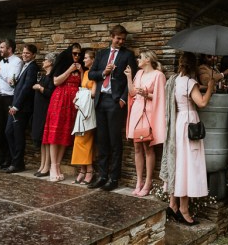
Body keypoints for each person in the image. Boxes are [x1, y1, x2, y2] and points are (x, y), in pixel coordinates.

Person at [166, 52, 214, 226]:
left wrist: (200, 86)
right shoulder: (190, 83)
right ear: (194, 66)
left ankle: (172, 204)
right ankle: (184, 209)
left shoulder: (175, 80)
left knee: (179, 163)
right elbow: (201, 103)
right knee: (188, 166)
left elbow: (187, 93)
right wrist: (210, 87)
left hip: (179, 122)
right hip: (190, 123)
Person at [88, 25, 137, 192]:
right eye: (118, 38)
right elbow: (90, 74)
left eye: (123, 39)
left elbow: (133, 76)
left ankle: (113, 178)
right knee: (101, 140)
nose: (121, 41)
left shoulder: (127, 55)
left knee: (115, 141)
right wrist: (104, 72)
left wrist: (123, 98)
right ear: (112, 37)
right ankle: (102, 176)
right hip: (101, 101)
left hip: (116, 102)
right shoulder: (101, 54)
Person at [124, 49, 166, 196]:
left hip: (149, 113)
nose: (138, 60)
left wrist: (147, 94)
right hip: (136, 112)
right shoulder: (139, 73)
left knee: (148, 148)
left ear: (148, 59)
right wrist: (129, 77)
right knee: (137, 148)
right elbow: (131, 93)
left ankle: (148, 182)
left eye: (140, 57)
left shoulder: (158, 75)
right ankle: (139, 181)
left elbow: (161, 97)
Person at [43, 43, 82, 182]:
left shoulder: (80, 66)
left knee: (65, 134)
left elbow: (82, 84)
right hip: (60, 100)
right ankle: (53, 166)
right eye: (74, 53)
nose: (77, 56)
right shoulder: (64, 64)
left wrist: (81, 71)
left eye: (79, 54)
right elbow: (56, 81)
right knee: (55, 133)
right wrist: (69, 70)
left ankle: (58, 165)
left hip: (72, 103)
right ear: (68, 54)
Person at [0, 39, 22, 169]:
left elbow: (12, 81)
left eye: (2, 47)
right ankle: (1, 158)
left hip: (9, 99)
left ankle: (10, 159)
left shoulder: (17, 62)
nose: (0, 50)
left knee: (8, 131)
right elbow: (0, 78)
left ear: (10, 49)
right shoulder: (1, 60)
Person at [4, 44, 38, 173]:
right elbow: (20, 87)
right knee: (8, 132)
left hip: (22, 108)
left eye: (27, 53)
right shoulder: (25, 66)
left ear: (34, 55)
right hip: (16, 105)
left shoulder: (33, 67)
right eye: (23, 53)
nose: (24, 55)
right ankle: (16, 161)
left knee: (17, 135)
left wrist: (16, 106)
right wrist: (14, 83)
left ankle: (17, 163)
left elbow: (27, 88)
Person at [71, 49, 97, 185]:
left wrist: (81, 96)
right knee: (78, 138)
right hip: (81, 109)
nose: (84, 59)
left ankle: (89, 170)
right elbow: (82, 89)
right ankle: (82, 169)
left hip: (89, 109)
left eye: (86, 58)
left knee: (85, 139)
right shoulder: (86, 73)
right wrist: (78, 98)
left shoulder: (95, 74)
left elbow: (93, 93)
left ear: (93, 59)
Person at [31, 52, 56, 177]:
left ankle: (47, 166)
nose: (43, 62)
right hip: (39, 109)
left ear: (50, 62)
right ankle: (42, 165)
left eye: (45, 60)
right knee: (41, 140)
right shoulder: (43, 75)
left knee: (45, 139)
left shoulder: (52, 76)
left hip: (46, 109)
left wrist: (40, 88)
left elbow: (51, 93)